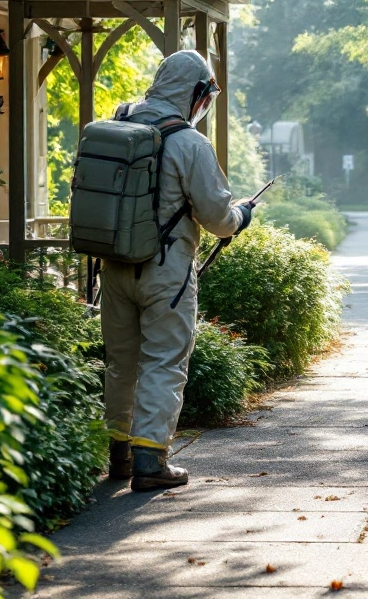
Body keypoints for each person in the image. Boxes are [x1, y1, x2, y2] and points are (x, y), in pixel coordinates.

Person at [100, 50, 254, 491]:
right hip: (165, 270)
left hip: (113, 265)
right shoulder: (190, 143)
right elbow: (217, 218)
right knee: (163, 360)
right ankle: (151, 461)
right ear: (197, 93)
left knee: (121, 362)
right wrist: (241, 216)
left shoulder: (119, 126)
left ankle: (119, 455)